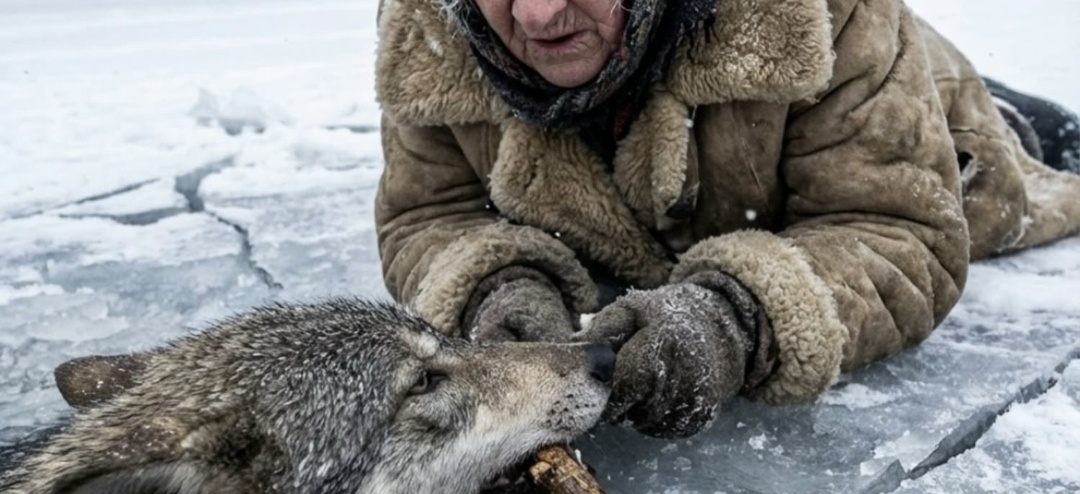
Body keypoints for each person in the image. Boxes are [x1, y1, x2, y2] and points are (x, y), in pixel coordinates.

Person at [373, 0, 1080, 438]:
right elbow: (428, 212)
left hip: (930, 110)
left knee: (1011, 157)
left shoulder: (830, 11)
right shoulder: (428, 31)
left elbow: (898, 225)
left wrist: (736, 316)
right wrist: (497, 285)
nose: (535, 13)